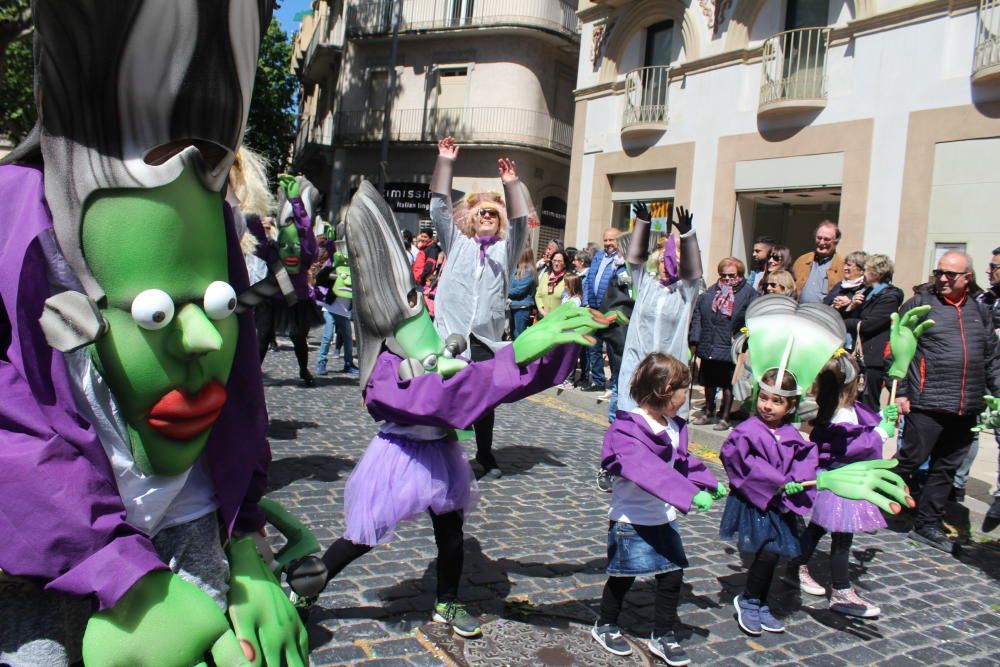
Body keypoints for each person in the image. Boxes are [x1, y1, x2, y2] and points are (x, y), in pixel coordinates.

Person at [0, 3, 309, 664]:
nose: (201, 339)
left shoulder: (211, 213)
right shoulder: (16, 209)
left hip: (190, 527)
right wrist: (118, 570)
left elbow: (241, 388)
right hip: (46, 568)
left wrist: (247, 534)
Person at [294, 182, 615, 639]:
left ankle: (447, 602)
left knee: (451, 534)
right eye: (410, 304)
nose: (418, 309)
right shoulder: (385, 366)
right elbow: (440, 400)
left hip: (441, 453)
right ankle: (304, 591)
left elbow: (486, 390)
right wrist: (516, 352)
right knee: (363, 536)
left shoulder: (440, 342)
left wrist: (552, 350)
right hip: (400, 455)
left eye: (415, 300)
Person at [720, 294, 912, 637]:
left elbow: (806, 460)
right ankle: (748, 601)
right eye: (764, 398)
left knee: (776, 556)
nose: (767, 406)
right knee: (763, 556)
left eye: (776, 401)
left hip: (781, 505)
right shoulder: (747, 431)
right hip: (756, 504)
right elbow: (737, 460)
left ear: (790, 406)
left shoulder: (793, 432)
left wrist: (798, 480)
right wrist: (775, 481)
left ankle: (761, 602)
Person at [594, 353, 725, 664]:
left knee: (672, 577)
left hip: (662, 518)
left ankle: (663, 633)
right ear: (668, 389)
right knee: (622, 577)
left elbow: (680, 462)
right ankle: (606, 624)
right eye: (685, 390)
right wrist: (689, 495)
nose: (686, 397)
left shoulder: (672, 426)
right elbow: (647, 469)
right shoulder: (627, 430)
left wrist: (707, 482)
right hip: (631, 519)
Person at [430, 136, 529, 480]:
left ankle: (485, 455)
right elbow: (438, 208)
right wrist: (445, 162)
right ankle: (444, 453)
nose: (487, 216)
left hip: (485, 339)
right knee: (448, 394)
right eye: (481, 212)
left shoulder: (505, 251)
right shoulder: (456, 243)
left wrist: (511, 184)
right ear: (472, 219)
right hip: (450, 335)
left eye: (493, 213)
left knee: (485, 401)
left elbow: (520, 224)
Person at [894, 251, 1000, 552]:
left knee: (946, 467)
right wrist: (902, 391)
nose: (941, 278)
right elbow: (900, 351)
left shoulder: (979, 312)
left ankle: (927, 523)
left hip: (967, 404)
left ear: (967, 277)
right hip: (927, 401)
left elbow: (992, 356)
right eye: (938, 272)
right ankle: (873, 499)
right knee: (910, 459)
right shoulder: (919, 306)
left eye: (950, 274)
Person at [787, 357, 897, 618]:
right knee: (842, 538)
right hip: (842, 481)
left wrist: (882, 417)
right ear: (851, 383)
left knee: (818, 528)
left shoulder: (836, 408)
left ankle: (796, 565)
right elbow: (852, 446)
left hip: (836, 477)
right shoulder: (840, 414)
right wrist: (881, 433)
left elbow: (861, 426)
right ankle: (841, 591)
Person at [616, 203, 702, 421]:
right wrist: (642, 225)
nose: (667, 265)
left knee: (665, 425)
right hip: (637, 366)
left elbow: (694, 275)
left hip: (668, 373)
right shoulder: (646, 286)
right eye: (664, 260)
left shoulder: (685, 294)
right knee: (633, 422)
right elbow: (635, 261)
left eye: (674, 261)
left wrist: (688, 236)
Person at [251, 174, 322, 387]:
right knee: (262, 336)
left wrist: (297, 203)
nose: (290, 251)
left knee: (298, 337)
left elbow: (306, 233)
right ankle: (253, 372)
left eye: (295, 247)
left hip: (297, 297)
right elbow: (254, 232)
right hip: (272, 296)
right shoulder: (272, 253)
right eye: (284, 246)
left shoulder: (307, 254)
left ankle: (303, 369)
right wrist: (251, 201)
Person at [956, 246, 1000, 519]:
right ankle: (956, 485)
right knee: (968, 427)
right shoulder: (985, 297)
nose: (989, 270)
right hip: (978, 372)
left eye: (994, 266)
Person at [689, 258, 754, 431]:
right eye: (723, 275)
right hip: (709, 342)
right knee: (709, 381)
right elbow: (698, 315)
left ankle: (725, 416)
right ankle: (709, 411)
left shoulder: (748, 293)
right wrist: (695, 339)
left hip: (730, 345)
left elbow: (752, 319)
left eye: (731, 275)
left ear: (740, 275)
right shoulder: (711, 291)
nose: (727, 279)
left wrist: (743, 340)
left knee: (727, 384)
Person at [841, 254, 903, 409]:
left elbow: (870, 325)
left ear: (877, 274)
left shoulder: (890, 296)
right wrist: (851, 307)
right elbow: (855, 317)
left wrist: (846, 322)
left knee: (867, 404)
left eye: (866, 270)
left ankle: (869, 432)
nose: (863, 274)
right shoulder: (865, 292)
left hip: (871, 359)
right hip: (855, 356)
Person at [583, 228, 627, 392]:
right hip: (594, 308)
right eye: (606, 240)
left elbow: (624, 282)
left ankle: (616, 383)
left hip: (611, 309)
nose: (608, 243)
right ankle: (598, 381)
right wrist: (586, 302)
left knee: (612, 349)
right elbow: (589, 280)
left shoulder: (622, 258)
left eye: (612, 240)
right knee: (593, 346)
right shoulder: (598, 256)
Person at [792, 221, 845, 304]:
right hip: (800, 312)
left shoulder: (842, 266)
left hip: (824, 314)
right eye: (819, 238)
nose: (821, 242)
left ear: (836, 242)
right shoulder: (802, 261)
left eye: (826, 239)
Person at [824, 251, 869, 329]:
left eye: (849, 265)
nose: (845, 268)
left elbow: (864, 311)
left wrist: (850, 303)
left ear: (861, 270)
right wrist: (833, 305)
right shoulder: (840, 284)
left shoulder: (865, 288)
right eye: (845, 264)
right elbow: (825, 303)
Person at [508, 247, 537, 338]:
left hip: (522, 308)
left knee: (519, 334)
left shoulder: (530, 271)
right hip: (512, 306)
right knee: (512, 334)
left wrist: (503, 292)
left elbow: (519, 290)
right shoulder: (515, 269)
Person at [536, 249, 569, 317]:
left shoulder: (568, 279)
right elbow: (538, 296)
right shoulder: (545, 275)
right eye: (554, 261)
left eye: (559, 261)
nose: (556, 264)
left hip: (558, 319)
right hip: (542, 318)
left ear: (564, 264)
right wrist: (542, 312)